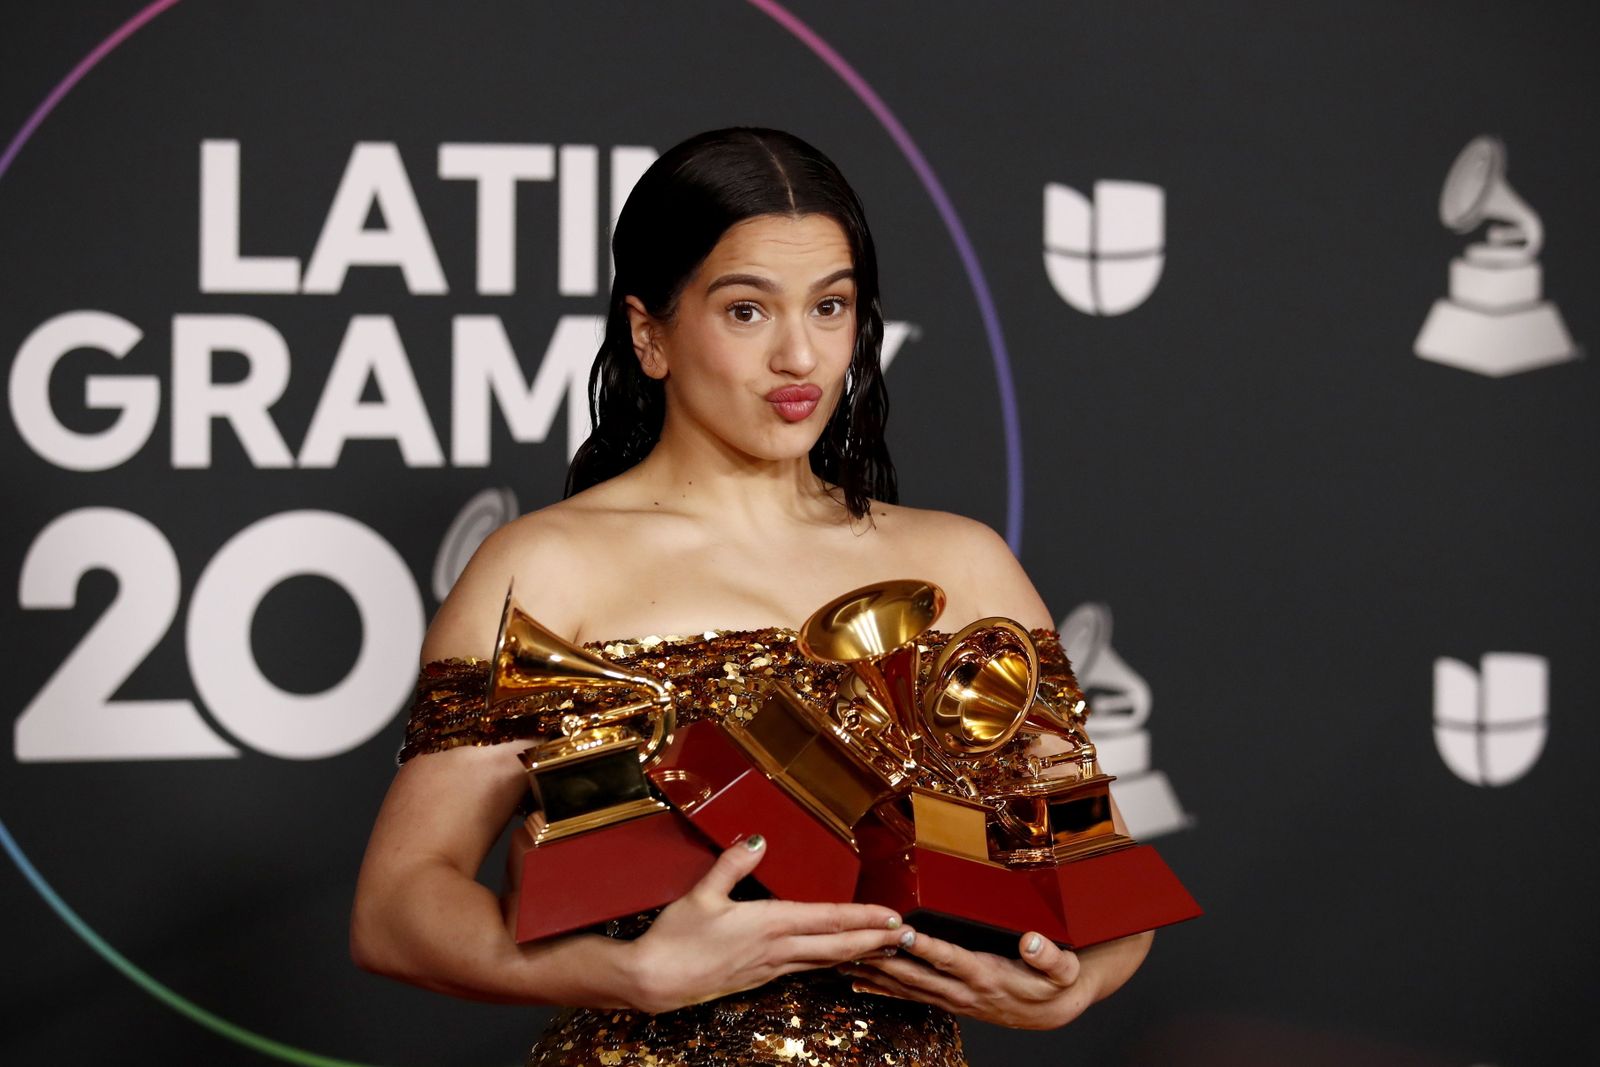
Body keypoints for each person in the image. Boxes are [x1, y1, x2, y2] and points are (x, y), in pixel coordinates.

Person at [350, 127, 1151, 1066]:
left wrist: (1071, 987)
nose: (799, 356)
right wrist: (625, 974)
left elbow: (1102, 869)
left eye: (831, 306)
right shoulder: (546, 567)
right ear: (650, 333)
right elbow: (398, 904)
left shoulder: (961, 562)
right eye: (745, 310)